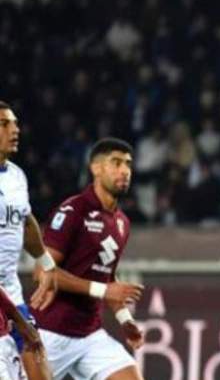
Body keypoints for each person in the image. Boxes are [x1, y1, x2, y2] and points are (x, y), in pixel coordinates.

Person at [34, 138, 146, 380]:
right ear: (96, 168)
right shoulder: (73, 211)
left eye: (128, 164)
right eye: (115, 163)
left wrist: (125, 319)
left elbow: (108, 280)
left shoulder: (122, 223)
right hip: (52, 332)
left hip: (91, 336)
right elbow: (42, 272)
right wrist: (104, 290)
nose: (124, 170)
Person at [0, 102, 57, 380]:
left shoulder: (16, 176)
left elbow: (26, 219)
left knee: (40, 367)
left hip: (11, 294)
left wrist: (47, 263)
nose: (15, 130)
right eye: (4, 124)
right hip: (5, 306)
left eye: (15, 123)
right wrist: (19, 321)